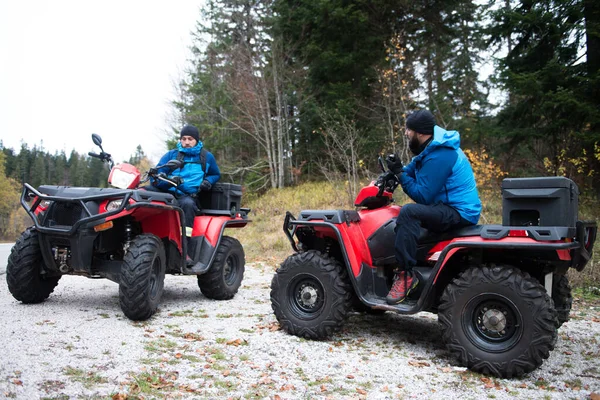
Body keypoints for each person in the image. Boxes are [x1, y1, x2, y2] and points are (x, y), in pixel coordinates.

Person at [384, 109, 481, 304]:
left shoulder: (441, 155)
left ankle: (406, 276)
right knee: (403, 216)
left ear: (419, 132)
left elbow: (423, 196)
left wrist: (401, 175)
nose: (406, 133)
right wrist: (394, 173)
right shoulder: (430, 148)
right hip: (446, 207)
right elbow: (409, 170)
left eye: (408, 129)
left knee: (409, 212)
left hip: (459, 211)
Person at [145, 124, 220, 235]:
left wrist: (208, 181)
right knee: (142, 192)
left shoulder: (207, 157)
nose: (187, 142)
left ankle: (185, 243)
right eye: (183, 139)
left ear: (196, 140)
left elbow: (215, 174)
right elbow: (158, 173)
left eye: (190, 139)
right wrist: (168, 181)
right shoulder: (171, 155)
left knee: (188, 205)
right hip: (168, 192)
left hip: (188, 197)